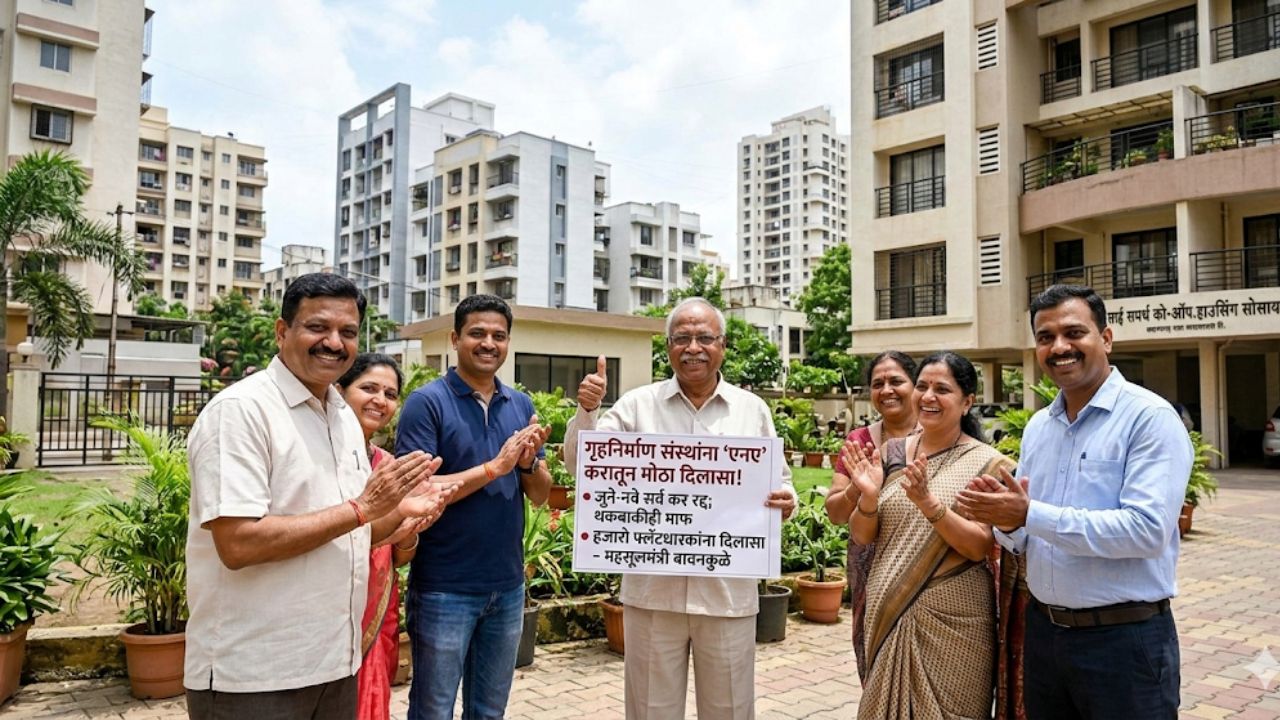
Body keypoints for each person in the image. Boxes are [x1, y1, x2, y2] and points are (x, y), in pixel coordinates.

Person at [184, 273, 448, 718]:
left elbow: (353, 534)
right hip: (254, 676)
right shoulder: (241, 412)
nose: (334, 342)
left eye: (348, 332)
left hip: (336, 666)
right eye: (317, 327)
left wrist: (402, 514)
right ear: (282, 331)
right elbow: (238, 543)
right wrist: (363, 508)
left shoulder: (341, 417)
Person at [956, 284, 1193, 719]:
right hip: (1045, 635)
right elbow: (1026, 535)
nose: (1059, 347)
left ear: (1106, 338)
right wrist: (1006, 520)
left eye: (1074, 333)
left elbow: (1147, 531)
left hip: (1125, 641)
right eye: (1045, 337)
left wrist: (1028, 513)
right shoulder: (1039, 428)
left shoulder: (1149, 419)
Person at [564, 297, 797, 720]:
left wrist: (786, 501)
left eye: (704, 338)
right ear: (668, 347)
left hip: (727, 595)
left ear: (723, 345)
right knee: (650, 710)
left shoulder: (752, 409)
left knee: (729, 710)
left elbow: (780, 481)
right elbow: (583, 463)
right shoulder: (636, 405)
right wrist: (587, 411)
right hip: (653, 595)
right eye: (682, 338)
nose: (693, 348)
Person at [395, 294, 552, 720]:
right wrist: (493, 468)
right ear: (455, 339)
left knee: (488, 711)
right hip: (444, 588)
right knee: (433, 711)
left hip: (507, 586)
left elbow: (540, 494)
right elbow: (416, 491)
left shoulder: (519, 404)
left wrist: (525, 465)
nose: (488, 343)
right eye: (477, 333)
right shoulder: (427, 403)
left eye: (499, 336)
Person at [838, 350, 1016, 719]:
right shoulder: (892, 453)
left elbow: (979, 546)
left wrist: (928, 503)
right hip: (888, 609)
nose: (928, 397)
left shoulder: (989, 463)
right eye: (922, 386)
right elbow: (862, 535)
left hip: (956, 617)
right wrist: (867, 497)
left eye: (942, 389)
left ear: (967, 402)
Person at [337, 354, 449, 720]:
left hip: (378, 605)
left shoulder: (389, 466)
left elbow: (398, 557)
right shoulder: (324, 460)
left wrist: (409, 531)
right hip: (330, 606)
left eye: (389, 393)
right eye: (368, 388)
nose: (380, 400)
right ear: (340, 390)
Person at [823, 350, 918, 675]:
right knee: (874, 655)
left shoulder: (937, 435)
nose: (886, 390)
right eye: (878, 384)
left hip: (927, 562)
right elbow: (835, 514)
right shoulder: (859, 442)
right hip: (870, 567)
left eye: (896, 381)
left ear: (915, 385)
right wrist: (858, 488)